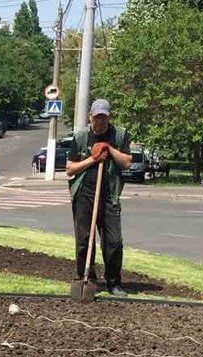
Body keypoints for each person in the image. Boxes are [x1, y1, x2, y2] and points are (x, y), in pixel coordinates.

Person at [65, 99, 133, 295]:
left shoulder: (119, 135)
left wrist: (109, 149)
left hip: (109, 195)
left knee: (114, 242)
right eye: (97, 118)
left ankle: (113, 282)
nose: (100, 122)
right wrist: (92, 159)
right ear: (90, 117)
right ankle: (86, 278)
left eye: (104, 118)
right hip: (84, 194)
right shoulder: (80, 137)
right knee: (84, 240)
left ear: (109, 118)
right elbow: (70, 169)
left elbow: (127, 162)